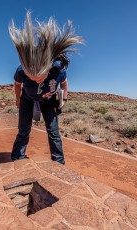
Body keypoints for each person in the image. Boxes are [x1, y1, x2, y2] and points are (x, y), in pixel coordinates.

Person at [8, 11, 83, 164]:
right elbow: (17, 85)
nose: (36, 81)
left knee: (53, 132)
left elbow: (64, 83)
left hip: (48, 102)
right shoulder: (21, 70)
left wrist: (65, 97)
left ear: (48, 70)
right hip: (27, 100)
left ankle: (58, 163)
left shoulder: (58, 69)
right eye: (32, 78)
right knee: (23, 131)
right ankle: (17, 158)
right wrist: (18, 100)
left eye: (40, 78)